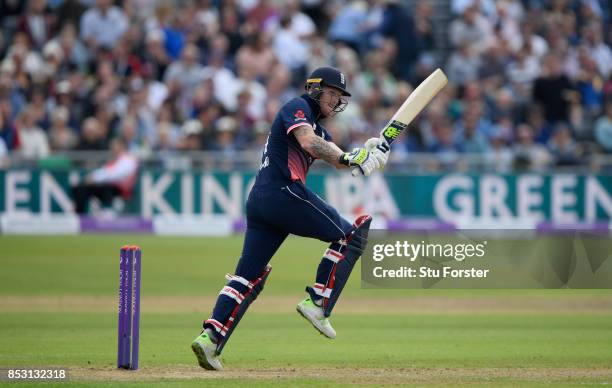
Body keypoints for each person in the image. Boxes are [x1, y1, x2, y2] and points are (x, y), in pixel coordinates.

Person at [191, 67, 391, 370]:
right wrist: (352, 157)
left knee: (248, 276)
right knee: (351, 235)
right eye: (332, 93)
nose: (336, 101)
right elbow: (309, 142)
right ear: (314, 89)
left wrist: (368, 154)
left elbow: (336, 156)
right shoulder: (296, 107)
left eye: (340, 96)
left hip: (261, 201)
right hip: (281, 191)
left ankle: (210, 339)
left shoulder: (321, 129)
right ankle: (319, 302)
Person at [71, 138, 138, 214]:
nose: (113, 149)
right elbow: (104, 171)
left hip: (120, 190)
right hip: (108, 187)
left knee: (107, 187)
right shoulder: (114, 159)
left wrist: (95, 179)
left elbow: (115, 175)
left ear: (121, 146)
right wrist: (92, 176)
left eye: (115, 146)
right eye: (112, 147)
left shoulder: (128, 160)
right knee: (81, 188)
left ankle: (108, 211)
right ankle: (79, 214)